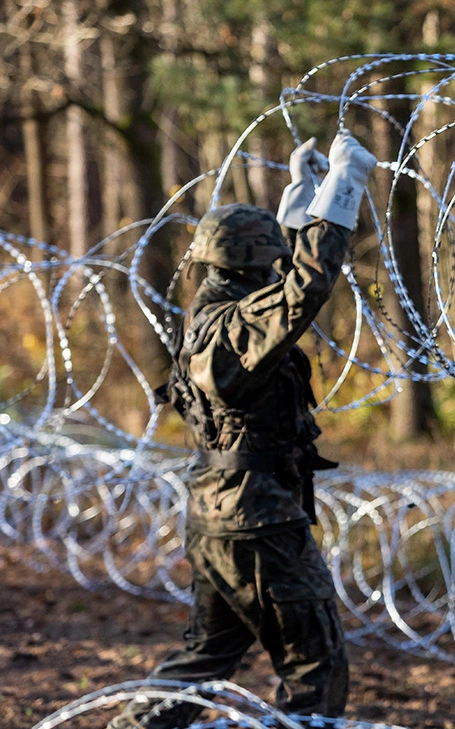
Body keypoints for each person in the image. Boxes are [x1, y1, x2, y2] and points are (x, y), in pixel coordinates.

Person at [108, 131, 378, 728]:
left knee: (205, 658)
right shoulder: (238, 329)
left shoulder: (208, 314)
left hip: (219, 514)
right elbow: (302, 289)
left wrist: (305, 196)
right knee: (316, 668)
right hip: (259, 520)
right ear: (256, 265)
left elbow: (279, 285)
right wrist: (345, 185)